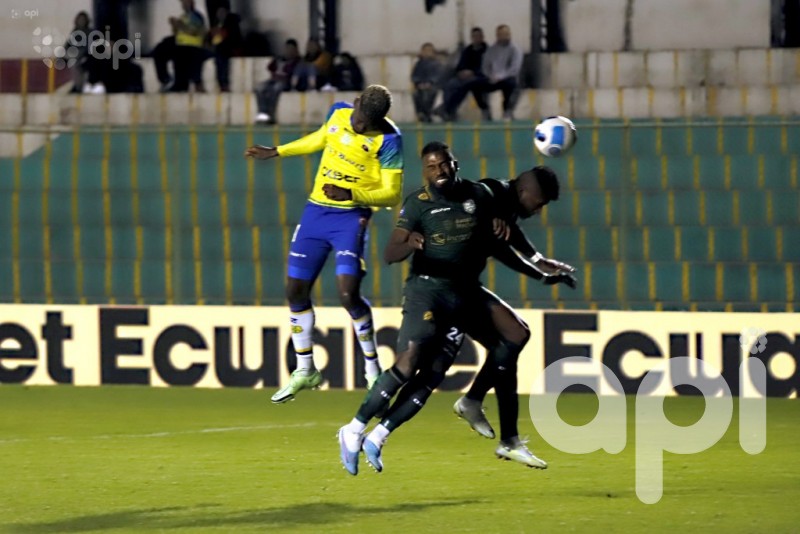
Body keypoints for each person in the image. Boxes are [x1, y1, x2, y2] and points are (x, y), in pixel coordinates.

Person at [337, 142, 575, 475]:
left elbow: (503, 235)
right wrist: (409, 243)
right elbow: (390, 254)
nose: (440, 171)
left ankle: (490, 424)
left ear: (455, 163)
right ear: (425, 170)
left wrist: (536, 261)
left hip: (463, 293)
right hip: (429, 290)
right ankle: (353, 429)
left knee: (509, 337)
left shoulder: (478, 196)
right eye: (432, 167)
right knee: (410, 363)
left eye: (445, 164)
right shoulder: (419, 204)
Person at [244, 85, 403, 404]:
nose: (359, 127)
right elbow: (320, 139)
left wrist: (353, 196)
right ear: (355, 104)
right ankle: (306, 370)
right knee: (294, 291)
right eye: (359, 119)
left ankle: (373, 371)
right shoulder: (338, 112)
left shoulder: (389, 140)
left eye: (367, 124)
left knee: (347, 293)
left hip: (351, 216)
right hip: (315, 212)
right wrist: (278, 151)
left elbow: (392, 194)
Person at [152, 0, 210, 93]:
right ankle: (165, 79)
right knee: (159, 50)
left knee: (179, 54)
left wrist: (178, 24)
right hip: (180, 43)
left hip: (191, 46)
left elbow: (194, 31)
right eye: (182, 3)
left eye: (186, 2)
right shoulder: (183, 17)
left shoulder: (196, 16)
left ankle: (180, 84)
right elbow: (178, 33)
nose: (183, 5)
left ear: (191, 3)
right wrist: (174, 26)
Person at [434, 27, 487, 122]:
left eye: (478, 36)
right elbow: (460, 65)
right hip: (465, 77)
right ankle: (450, 112)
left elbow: (487, 68)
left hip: (480, 77)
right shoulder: (468, 50)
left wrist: (473, 72)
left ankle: (446, 109)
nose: (476, 38)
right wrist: (462, 72)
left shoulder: (487, 51)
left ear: (482, 37)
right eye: (474, 36)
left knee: (466, 85)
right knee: (450, 85)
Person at [476, 24, 523, 121]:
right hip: (492, 78)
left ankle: (508, 111)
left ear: (509, 34)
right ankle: (485, 110)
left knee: (513, 84)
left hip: (507, 78)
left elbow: (514, 69)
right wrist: (490, 76)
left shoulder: (515, 49)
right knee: (475, 84)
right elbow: (485, 66)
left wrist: (500, 77)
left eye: (505, 34)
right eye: (500, 34)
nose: (503, 36)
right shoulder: (491, 50)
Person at [254, 38, 300, 125]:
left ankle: (271, 114)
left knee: (275, 89)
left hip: (286, 81)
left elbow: (294, 73)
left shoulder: (297, 61)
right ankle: (262, 112)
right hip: (273, 79)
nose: (289, 51)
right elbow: (270, 67)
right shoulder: (279, 59)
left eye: (291, 49)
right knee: (259, 88)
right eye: (287, 48)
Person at [208, 2, 242, 92]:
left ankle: (224, 83)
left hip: (229, 48)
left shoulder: (232, 23)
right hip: (219, 48)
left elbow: (234, 38)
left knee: (221, 57)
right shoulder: (217, 24)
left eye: (222, 12)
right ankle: (221, 83)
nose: (220, 14)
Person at [410, 42, 444, 122]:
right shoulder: (418, 64)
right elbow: (414, 76)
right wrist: (419, 83)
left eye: (429, 50)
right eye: (425, 50)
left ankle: (429, 113)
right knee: (416, 94)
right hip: (421, 86)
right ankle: (421, 113)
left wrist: (430, 82)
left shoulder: (437, 64)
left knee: (431, 94)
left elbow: (438, 76)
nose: (427, 53)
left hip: (433, 86)